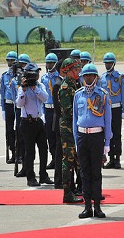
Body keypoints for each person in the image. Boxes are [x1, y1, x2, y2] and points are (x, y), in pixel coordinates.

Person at [74, 64, 112, 219]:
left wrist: (107, 142)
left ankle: (97, 206)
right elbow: (75, 119)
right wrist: (77, 141)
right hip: (83, 136)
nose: (88, 78)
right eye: (85, 75)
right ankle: (87, 207)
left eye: (91, 75)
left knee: (96, 173)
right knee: (84, 173)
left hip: (97, 136)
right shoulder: (78, 95)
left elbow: (108, 119)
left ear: (96, 77)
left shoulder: (102, 94)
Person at [16, 63, 53, 187]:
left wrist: (35, 89)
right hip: (27, 122)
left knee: (44, 149)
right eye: (33, 73)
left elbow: (45, 98)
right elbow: (19, 104)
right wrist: (25, 89)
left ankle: (43, 174)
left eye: (37, 72)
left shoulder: (40, 85)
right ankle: (30, 177)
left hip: (39, 121)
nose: (36, 75)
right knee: (29, 151)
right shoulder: (22, 88)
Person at [58, 58, 84, 203]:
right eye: (75, 69)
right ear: (67, 72)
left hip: (76, 127)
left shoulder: (75, 86)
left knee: (78, 161)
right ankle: (67, 194)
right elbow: (68, 112)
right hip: (68, 128)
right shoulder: (65, 89)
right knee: (68, 161)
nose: (78, 70)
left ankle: (79, 189)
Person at [100, 52, 124, 169]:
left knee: (117, 134)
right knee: (108, 134)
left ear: (114, 63)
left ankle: (117, 158)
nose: (108, 65)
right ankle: (110, 158)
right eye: (106, 63)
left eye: (110, 63)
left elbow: (123, 94)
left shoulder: (120, 77)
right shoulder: (101, 78)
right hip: (106, 109)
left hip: (116, 108)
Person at [10, 53, 30, 177]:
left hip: (29, 110)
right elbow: (14, 98)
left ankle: (29, 166)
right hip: (19, 110)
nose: (22, 67)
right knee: (21, 139)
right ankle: (23, 164)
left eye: (24, 64)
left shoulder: (31, 78)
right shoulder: (14, 80)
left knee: (29, 140)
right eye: (20, 64)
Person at [41, 53, 59, 169]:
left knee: (57, 135)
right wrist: (42, 112)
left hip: (56, 110)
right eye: (48, 62)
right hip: (47, 110)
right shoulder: (43, 78)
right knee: (49, 136)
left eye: (51, 63)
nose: (49, 65)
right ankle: (53, 157)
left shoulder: (59, 77)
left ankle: (58, 157)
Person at [0, 51, 18, 164]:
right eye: (9, 60)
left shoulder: (19, 75)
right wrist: (2, 108)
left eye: (12, 60)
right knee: (9, 130)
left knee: (19, 131)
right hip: (8, 104)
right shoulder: (4, 76)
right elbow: (2, 92)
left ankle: (20, 153)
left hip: (18, 105)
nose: (10, 63)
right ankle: (13, 152)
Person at [51, 59, 65, 189]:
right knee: (59, 153)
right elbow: (57, 108)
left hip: (65, 123)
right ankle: (58, 180)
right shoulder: (58, 84)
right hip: (61, 123)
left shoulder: (65, 82)